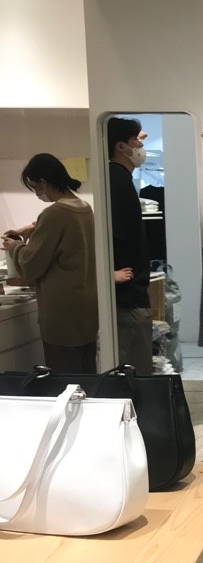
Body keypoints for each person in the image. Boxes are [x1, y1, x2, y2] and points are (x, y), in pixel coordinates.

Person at [2, 153, 98, 373]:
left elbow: (30, 264)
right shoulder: (83, 207)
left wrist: (14, 246)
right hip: (85, 309)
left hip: (61, 313)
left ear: (44, 182)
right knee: (86, 375)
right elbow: (64, 235)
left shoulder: (54, 213)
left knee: (65, 379)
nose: (37, 193)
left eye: (35, 187)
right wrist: (34, 227)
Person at [107, 116, 153, 374]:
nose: (140, 146)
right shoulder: (116, 181)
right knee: (133, 374)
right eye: (136, 141)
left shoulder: (119, 177)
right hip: (127, 298)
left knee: (136, 369)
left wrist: (136, 134)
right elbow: (111, 236)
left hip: (131, 296)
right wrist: (108, 275)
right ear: (121, 147)